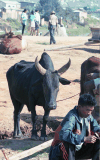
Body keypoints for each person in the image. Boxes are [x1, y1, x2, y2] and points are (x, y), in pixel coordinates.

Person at [49, 93, 100, 160]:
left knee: (98, 141)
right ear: (79, 107)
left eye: (91, 110)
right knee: (68, 143)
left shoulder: (88, 116)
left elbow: (97, 128)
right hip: (59, 153)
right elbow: (63, 135)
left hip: (78, 151)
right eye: (87, 110)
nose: (89, 113)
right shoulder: (71, 117)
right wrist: (84, 139)